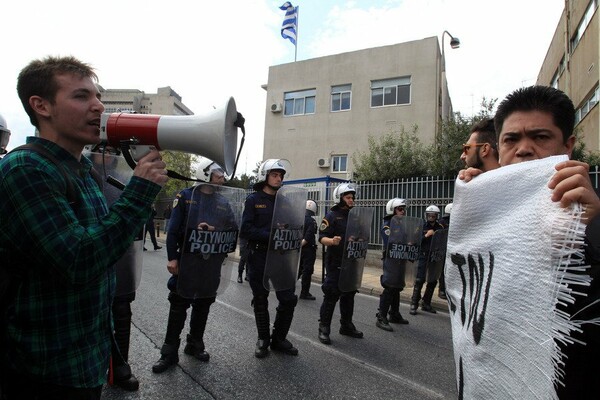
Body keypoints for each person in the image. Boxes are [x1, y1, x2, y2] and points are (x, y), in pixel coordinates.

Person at [0, 56, 167, 399]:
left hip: (85, 362)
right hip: (44, 370)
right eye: (81, 97)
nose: (98, 106)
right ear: (41, 105)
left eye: (97, 96)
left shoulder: (84, 172)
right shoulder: (25, 170)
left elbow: (103, 244)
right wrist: (140, 192)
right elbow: (80, 261)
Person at [459, 85, 600, 399]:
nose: (523, 149)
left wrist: (581, 233)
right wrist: (471, 221)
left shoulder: (592, 215)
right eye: (511, 139)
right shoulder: (485, 212)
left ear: (568, 146)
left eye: (540, 137)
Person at [152, 158, 234, 373]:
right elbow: (173, 230)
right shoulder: (186, 196)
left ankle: (195, 344)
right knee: (179, 304)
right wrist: (172, 258)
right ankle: (168, 353)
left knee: (204, 303)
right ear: (206, 175)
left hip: (211, 262)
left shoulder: (223, 202)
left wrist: (215, 230)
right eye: (219, 175)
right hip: (188, 260)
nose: (223, 179)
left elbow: (232, 229)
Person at [240, 159, 300, 358]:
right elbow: (246, 229)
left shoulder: (285, 201)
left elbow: (293, 224)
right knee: (260, 298)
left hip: (281, 256)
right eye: (275, 175)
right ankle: (263, 338)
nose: (279, 178)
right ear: (265, 176)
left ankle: (279, 339)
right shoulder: (253, 199)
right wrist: (271, 234)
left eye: (281, 175)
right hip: (259, 255)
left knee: (288, 298)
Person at [317, 183, 364, 345]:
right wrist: (332, 241)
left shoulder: (355, 216)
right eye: (348, 197)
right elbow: (321, 237)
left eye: (352, 197)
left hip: (351, 261)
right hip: (335, 262)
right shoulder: (332, 216)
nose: (352, 200)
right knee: (331, 295)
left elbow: (360, 236)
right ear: (340, 198)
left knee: (349, 293)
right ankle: (324, 327)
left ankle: (346, 325)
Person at [376, 198, 410, 332]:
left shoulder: (402, 224)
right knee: (390, 286)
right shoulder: (387, 225)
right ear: (392, 210)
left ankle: (394, 314)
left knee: (397, 286)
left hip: (401, 258)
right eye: (400, 209)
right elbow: (389, 240)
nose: (403, 211)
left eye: (404, 209)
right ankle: (381, 316)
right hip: (391, 259)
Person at [409, 205, 445, 315]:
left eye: (433, 215)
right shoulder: (421, 226)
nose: (431, 217)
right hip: (423, 255)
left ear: (437, 216)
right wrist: (426, 235)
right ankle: (414, 303)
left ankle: (426, 303)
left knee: (433, 279)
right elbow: (415, 240)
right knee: (420, 279)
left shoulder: (440, 228)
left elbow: (443, 242)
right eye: (429, 215)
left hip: (435, 256)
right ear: (426, 215)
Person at [299, 199, 318, 300]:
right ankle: (304, 293)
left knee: (298, 269)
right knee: (307, 271)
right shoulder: (312, 221)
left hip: (299, 249)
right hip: (308, 250)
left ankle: (287, 287)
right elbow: (308, 237)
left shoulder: (299, 218)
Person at [437, 202, 452, 299]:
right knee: (443, 270)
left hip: (451, 249)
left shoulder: (455, 221)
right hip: (443, 249)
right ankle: (441, 289)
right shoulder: (443, 222)